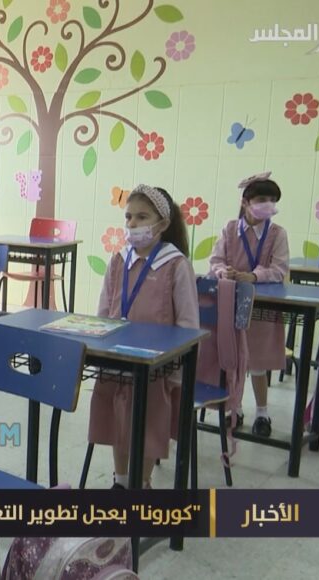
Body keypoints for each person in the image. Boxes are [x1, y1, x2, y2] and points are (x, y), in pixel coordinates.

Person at [90, 184, 198, 489]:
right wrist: (99, 347)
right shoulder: (119, 260)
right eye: (129, 217)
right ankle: (121, 481)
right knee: (117, 421)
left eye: (142, 217)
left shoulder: (176, 264)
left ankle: (142, 483)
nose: (133, 224)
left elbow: (188, 323)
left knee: (149, 425)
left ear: (162, 224)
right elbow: (104, 309)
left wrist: (176, 369)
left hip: (156, 367)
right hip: (117, 359)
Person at [209, 172, 289, 437]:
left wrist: (253, 276)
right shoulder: (230, 229)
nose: (268, 205)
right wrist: (224, 272)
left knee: (257, 363)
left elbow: (279, 269)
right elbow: (216, 260)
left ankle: (262, 413)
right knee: (231, 361)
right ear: (245, 202)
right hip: (231, 304)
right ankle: (235, 408)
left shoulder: (277, 233)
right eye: (262, 199)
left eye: (272, 200)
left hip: (261, 307)